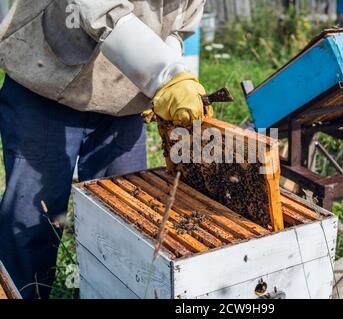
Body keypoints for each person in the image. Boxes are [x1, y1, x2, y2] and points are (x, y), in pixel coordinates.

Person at [0, 0, 209, 299]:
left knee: (125, 225)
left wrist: (167, 77)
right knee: (32, 222)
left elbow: (178, 27)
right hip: (44, 82)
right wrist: (166, 75)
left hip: (124, 103)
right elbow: (97, 6)